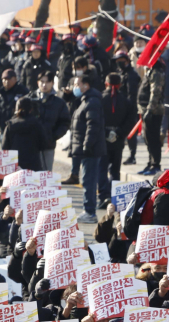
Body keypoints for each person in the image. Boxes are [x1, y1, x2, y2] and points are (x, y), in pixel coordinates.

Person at [70, 72, 107, 224]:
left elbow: (93, 125)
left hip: (90, 150)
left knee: (89, 181)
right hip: (85, 148)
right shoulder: (85, 100)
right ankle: (88, 210)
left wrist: (87, 144)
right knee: (87, 180)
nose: (75, 87)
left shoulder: (92, 101)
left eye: (77, 84)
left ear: (86, 85)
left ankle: (90, 212)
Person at [31, 72, 71, 171]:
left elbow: (65, 123)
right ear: (37, 83)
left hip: (48, 145)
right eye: (42, 82)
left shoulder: (59, 102)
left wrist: (53, 136)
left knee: (46, 175)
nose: (44, 85)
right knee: (30, 175)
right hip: (30, 144)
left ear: (52, 83)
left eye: (48, 82)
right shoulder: (29, 99)